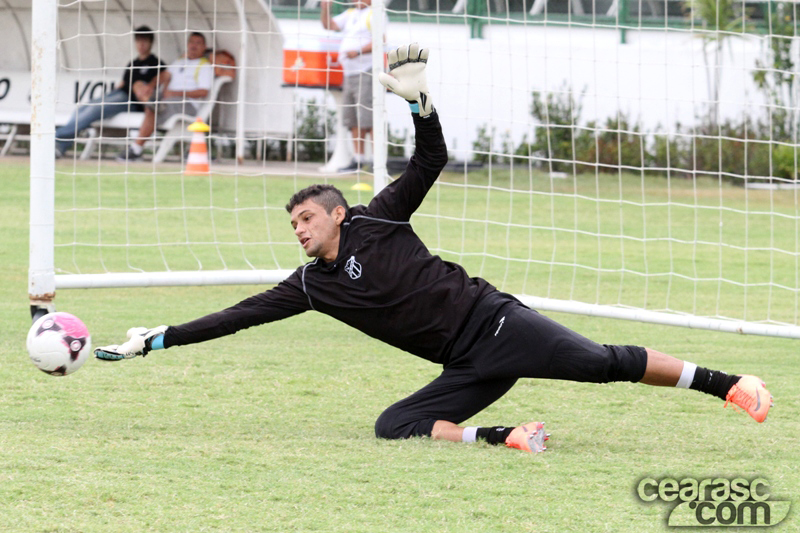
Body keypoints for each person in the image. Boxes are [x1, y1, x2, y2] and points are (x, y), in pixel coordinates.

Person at [96, 44, 773, 454]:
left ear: (336, 213)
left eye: (306, 218)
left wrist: (419, 104)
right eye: (293, 225)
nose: (299, 230)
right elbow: (237, 315)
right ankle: (505, 435)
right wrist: (160, 338)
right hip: (468, 363)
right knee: (393, 426)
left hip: (498, 322)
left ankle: (730, 383)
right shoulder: (311, 286)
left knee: (602, 362)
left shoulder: (379, 218)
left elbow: (432, 157)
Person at [55, 26, 165, 159]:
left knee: (94, 110)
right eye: (138, 40)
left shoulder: (156, 63)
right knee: (84, 108)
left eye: (144, 41)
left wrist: (148, 86)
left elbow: (162, 80)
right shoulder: (133, 63)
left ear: (151, 42)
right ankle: (61, 145)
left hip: (132, 101)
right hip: (119, 95)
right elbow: (123, 84)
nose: (141, 44)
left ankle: (56, 138)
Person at [117, 32, 213, 162]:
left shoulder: (204, 66)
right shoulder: (180, 61)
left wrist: (175, 93)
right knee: (139, 85)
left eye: (198, 43)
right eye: (191, 42)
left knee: (153, 108)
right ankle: (150, 104)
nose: (193, 46)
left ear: (204, 47)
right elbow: (164, 75)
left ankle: (136, 149)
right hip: (167, 99)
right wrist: (150, 86)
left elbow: (203, 92)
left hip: (187, 104)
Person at [321, 0, 387, 172]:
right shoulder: (350, 14)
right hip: (349, 73)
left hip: (366, 71)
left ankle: (376, 161)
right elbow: (329, 25)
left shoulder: (375, 13)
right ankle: (358, 160)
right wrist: (325, 8)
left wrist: (357, 52)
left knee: (369, 117)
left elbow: (381, 39)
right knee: (353, 118)